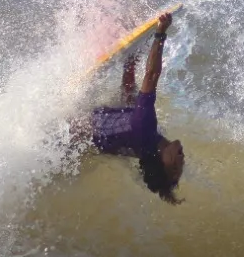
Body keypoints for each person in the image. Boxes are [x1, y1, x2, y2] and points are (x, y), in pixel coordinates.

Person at [78, 11, 185, 204]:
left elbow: (151, 76)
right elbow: (129, 101)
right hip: (84, 141)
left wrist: (160, 34)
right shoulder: (147, 146)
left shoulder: (145, 129)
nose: (181, 163)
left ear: (162, 160)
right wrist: (131, 60)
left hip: (72, 130)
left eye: (174, 168)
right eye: (180, 169)